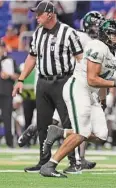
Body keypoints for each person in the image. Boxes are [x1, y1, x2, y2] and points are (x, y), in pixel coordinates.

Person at [39, 19, 116, 178]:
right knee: (82, 132)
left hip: (92, 93)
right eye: (113, 34)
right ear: (104, 34)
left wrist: (102, 100)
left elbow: (104, 76)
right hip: (79, 87)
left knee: (101, 135)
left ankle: (60, 132)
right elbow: (92, 79)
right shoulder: (97, 46)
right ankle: (50, 165)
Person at [17, 10, 105, 170]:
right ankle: (75, 160)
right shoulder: (82, 38)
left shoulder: (88, 40)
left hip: (79, 83)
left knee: (73, 123)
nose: (98, 29)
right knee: (74, 123)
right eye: (96, 26)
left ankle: (78, 158)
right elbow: (79, 60)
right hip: (72, 82)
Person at [12, 1, 82, 174]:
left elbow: (80, 58)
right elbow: (31, 58)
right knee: (43, 123)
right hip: (43, 82)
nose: (36, 17)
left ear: (50, 14)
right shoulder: (38, 33)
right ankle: (43, 162)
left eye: (39, 14)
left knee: (67, 123)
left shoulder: (68, 32)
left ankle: (73, 162)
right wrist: (21, 79)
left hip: (63, 81)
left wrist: (79, 82)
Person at [0, 40, 19, 148]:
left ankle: (9, 142)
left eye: (1, 48)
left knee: (7, 116)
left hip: (6, 91)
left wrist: (9, 75)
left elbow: (18, 76)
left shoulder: (10, 60)